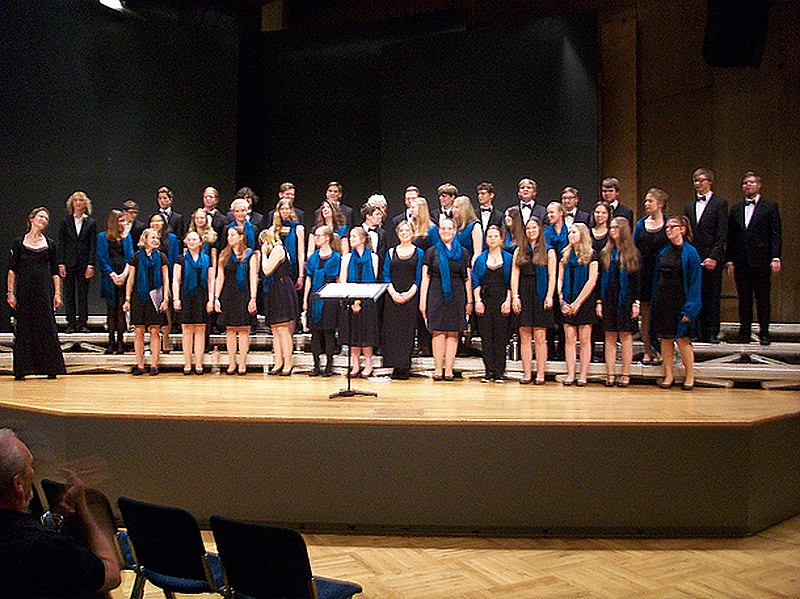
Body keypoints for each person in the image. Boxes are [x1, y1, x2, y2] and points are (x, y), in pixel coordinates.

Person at [0, 429, 122, 598]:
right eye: (30, 466)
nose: (33, 473)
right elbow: (110, 575)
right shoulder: (47, 547)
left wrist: (61, 516)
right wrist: (86, 511)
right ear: (18, 484)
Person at [7, 207, 67, 380]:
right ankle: (23, 369)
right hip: (25, 291)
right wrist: (11, 292)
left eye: (46, 218)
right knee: (24, 327)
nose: (44, 220)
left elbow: (55, 271)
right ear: (31, 219)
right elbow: (12, 270)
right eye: (41, 216)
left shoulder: (50, 244)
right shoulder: (19, 243)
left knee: (46, 326)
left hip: (43, 291)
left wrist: (57, 293)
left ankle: (51, 368)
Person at [725, 171, 782, 345]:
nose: (748, 185)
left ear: (759, 185)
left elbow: (775, 233)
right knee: (744, 299)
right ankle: (744, 332)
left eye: (751, 182)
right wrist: (729, 260)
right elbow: (731, 237)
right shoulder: (736, 209)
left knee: (763, 298)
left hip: (762, 260)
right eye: (745, 183)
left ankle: (764, 332)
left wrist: (775, 257)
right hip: (741, 261)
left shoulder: (770, 206)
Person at [419, 218, 473, 381]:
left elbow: (467, 278)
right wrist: (423, 301)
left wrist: (469, 301)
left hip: (457, 294)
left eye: (449, 228)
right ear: (439, 231)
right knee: (438, 331)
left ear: (455, 231)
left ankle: (448, 369)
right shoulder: (431, 252)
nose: (446, 231)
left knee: (453, 331)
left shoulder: (463, 252)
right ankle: (438, 369)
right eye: (443, 228)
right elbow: (425, 278)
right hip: (436, 293)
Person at [652, 216, 702, 390]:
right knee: (665, 339)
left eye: (672, 227)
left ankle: (690, 375)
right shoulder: (664, 252)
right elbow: (656, 278)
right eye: (667, 227)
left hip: (680, 300)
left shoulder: (691, 253)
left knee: (682, 339)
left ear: (682, 229)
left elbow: (695, 282)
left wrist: (690, 309)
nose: (668, 230)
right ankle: (668, 375)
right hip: (663, 299)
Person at [683, 169, 727, 344]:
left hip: (712, 258)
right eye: (695, 181)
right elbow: (687, 233)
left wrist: (714, 257)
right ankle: (695, 331)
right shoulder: (689, 206)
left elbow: (722, 234)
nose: (697, 184)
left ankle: (712, 332)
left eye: (701, 180)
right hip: (694, 257)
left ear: (710, 182)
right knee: (694, 295)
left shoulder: (720, 203)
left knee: (712, 296)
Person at [510, 217, 556, 384]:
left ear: (540, 230)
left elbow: (552, 276)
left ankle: (541, 374)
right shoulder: (519, 250)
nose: (531, 231)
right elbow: (515, 275)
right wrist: (515, 296)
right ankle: (527, 373)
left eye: (534, 228)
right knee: (524, 336)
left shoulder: (549, 251)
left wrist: (549, 295)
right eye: (528, 228)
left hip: (541, 295)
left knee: (540, 336)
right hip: (524, 293)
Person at [597, 217, 641, 387]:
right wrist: (599, 302)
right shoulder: (605, 252)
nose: (612, 230)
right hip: (608, 298)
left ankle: (626, 374)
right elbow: (600, 280)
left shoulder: (633, 254)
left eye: (616, 227)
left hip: (626, 299)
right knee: (609, 335)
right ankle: (610, 374)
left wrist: (636, 303)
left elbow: (637, 281)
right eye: (611, 227)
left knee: (625, 335)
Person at [123, 228, 169, 375]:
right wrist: (127, 299)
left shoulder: (161, 257)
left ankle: (154, 365)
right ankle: (140, 365)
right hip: (139, 296)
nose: (156, 240)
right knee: (139, 331)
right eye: (152, 238)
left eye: (157, 238)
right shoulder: (136, 257)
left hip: (156, 296)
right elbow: (130, 280)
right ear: (145, 239)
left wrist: (166, 299)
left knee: (155, 330)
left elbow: (165, 279)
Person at [381, 221, 424, 380]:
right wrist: (393, 293)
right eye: (401, 231)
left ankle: (405, 366)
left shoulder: (419, 253)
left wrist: (409, 294)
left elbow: (419, 277)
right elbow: (386, 275)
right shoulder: (391, 252)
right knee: (393, 332)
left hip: (410, 297)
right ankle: (394, 365)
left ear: (412, 233)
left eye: (407, 230)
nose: (404, 233)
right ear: (397, 234)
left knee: (407, 332)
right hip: (392, 296)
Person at [558, 223, 599, 386]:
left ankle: (583, 375)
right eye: (569, 232)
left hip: (584, 300)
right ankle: (570, 374)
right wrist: (561, 300)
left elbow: (592, 280)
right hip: (567, 299)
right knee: (569, 337)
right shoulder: (565, 254)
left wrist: (577, 303)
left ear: (582, 234)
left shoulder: (592, 254)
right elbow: (560, 278)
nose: (570, 235)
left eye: (574, 232)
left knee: (584, 338)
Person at [215, 226, 258, 375]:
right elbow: (220, 277)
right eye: (228, 235)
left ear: (241, 237)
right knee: (230, 330)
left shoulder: (250, 254)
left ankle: (243, 363)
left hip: (243, 293)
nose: (229, 238)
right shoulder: (224, 254)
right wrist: (216, 297)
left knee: (244, 329)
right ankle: (232, 362)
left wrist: (253, 298)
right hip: (228, 293)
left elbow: (253, 277)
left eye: (232, 235)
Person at [633, 187, 669, 364]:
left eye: (650, 201)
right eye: (646, 201)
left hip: (664, 274)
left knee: (662, 313)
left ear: (660, 204)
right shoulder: (640, 225)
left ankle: (663, 351)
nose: (646, 204)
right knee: (646, 314)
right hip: (645, 274)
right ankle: (647, 350)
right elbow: (634, 250)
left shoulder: (668, 223)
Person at [472, 225, 513, 382]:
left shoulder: (508, 258)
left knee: (501, 337)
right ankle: (488, 371)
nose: (493, 239)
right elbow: (476, 281)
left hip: (502, 300)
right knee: (486, 337)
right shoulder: (481, 259)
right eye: (489, 236)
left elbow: (511, 282)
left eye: (496, 236)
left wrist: (508, 301)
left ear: (501, 239)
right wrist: (478, 301)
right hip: (485, 301)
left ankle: (499, 372)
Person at [339, 227, 380, 378]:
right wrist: (353, 301)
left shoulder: (373, 257)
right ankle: (355, 364)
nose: (351, 239)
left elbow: (372, 281)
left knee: (367, 334)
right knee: (353, 334)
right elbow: (343, 280)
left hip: (368, 302)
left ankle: (368, 364)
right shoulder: (347, 258)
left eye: (354, 236)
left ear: (363, 239)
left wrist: (361, 300)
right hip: (351, 302)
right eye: (350, 236)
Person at [173, 231, 214, 375]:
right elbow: (176, 280)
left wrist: (211, 299)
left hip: (201, 296)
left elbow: (211, 281)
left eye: (194, 239)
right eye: (189, 239)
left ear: (200, 242)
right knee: (187, 330)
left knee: (200, 330)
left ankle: (199, 364)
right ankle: (187, 364)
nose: (191, 242)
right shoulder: (180, 259)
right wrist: (176, 298)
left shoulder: (207, 259)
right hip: (186, 295)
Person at [260, 228, 299, 376]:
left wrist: (263, 254)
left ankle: (288, 364)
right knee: (275, 330)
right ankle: (278, 362)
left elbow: (267, 270)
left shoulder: (277, 249)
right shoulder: (274, 251)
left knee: (283, 329)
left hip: (282, 288)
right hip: (274, 288)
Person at [304, 226, 341, 377]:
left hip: (330, 297)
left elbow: (337, 279)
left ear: (327, 238)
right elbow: (309, 278)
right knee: (315, 332)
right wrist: (305, 299)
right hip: (315, 296)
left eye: (318, 236)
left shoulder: (336, 257)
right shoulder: (313, 257)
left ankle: (329, 365)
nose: (316, 238)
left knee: (328, 332)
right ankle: (316, 365)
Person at [57, 191, 97, 333]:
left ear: (85, 204)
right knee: (69, 292)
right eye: (76, 200)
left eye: (81, 200)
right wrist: (61, 263)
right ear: (72, 203)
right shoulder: (65, 221)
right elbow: (62, 243)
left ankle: (82, 322)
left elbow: (93, 245)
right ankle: (71, 322)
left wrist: (91, 264)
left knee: (83, 293)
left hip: (84, 262)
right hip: (69, 261)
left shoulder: (91, 222)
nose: (79, 203)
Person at [96, 210, 133, 355]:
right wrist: (113, 275)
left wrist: (124, 275)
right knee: (111, 310)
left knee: (121, 310)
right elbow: (101, 259)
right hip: (109, 277)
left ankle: (120, 342)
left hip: (123, 275)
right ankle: (111, 341)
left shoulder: (126, 237)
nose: (123, 223)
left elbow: (129, 257)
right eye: (121, 220)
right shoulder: (102, 237)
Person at [149, 212, 180, 353]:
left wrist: (172, 277)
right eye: (153, 221)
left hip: (166, 276)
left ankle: (166, 338)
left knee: (165, 308)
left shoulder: (171, 238)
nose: (155, 224)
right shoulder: (147, 237)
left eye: (158, 221)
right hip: (150, 278)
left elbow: (174, 257)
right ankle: (154, 341)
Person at [544, 201, 568, 361]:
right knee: (550, 317)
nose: (549, 215)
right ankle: (551, 351)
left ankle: (564, 351)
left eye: (552, 212)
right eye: (548, 212)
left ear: (561, 213)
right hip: (549, 275)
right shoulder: (546, 233)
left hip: (566, 275)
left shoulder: (569, 231)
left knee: (564, 317)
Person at [272, 198, 305, 291]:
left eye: (287, 209)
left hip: (293, 268)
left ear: (291, 210)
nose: (285, 211)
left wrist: (301, 276)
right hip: (277, 269)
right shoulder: (273, 229)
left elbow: (300, 253)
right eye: (282, 209)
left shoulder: (298, 228)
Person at [452, 195, 483, 262]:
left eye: (456, 207)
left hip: (467, 263)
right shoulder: (455, 225)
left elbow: (477, 252)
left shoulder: (475, 226)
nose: (453, 210)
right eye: (453, 207)